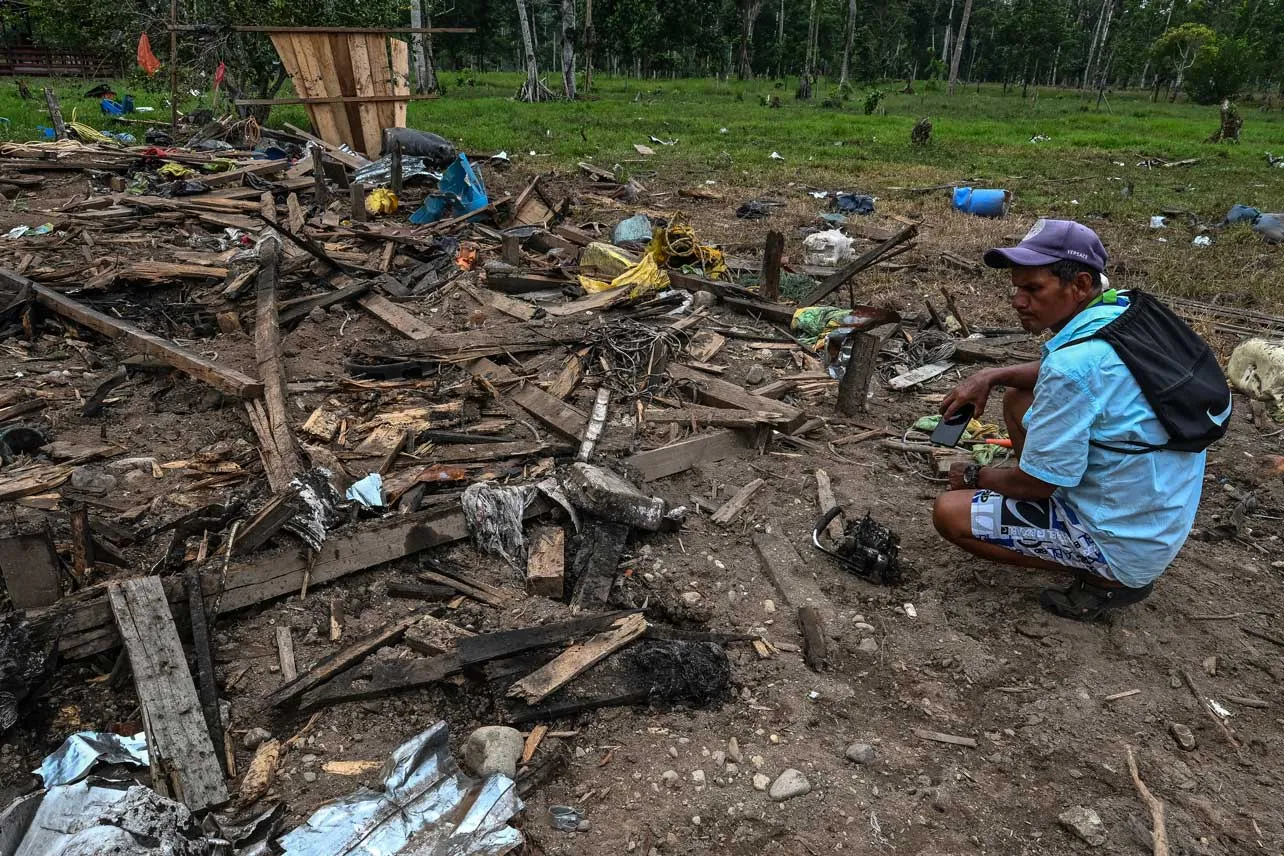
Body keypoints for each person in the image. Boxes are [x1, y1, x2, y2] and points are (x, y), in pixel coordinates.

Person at [931, 219, 1208, 621]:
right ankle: (1053, 500)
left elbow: (1039, 485)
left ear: (1079, 285)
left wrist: (975, 477)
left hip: (1121, 540)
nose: (1017, 301)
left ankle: (1107, 580)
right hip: (1156, 509)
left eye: (1032, 289)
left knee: (950, 512)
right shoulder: (1123, 308)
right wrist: (990, 375)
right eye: (1016, 288)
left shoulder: (1073, 368)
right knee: (1019, 395)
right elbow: (1070, 373)